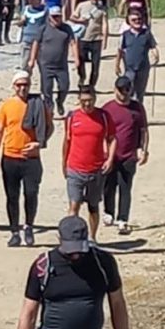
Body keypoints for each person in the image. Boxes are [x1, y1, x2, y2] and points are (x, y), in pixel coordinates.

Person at [0, 71, 54, 248]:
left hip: (31, 159)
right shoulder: (6, 106)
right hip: (10, 157)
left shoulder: (38, 104)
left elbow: (49, 127)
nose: (22, 88)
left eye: (25, 84)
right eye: (19, 85)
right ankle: (14, 232)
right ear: (14, 86)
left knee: (31, 194)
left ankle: (29, 226)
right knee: (12, 196)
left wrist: (39, 143)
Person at [62, 86, 116, 243]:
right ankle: (72, 239)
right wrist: (64, 163)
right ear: (79, 100)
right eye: (84, 101)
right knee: (74, 205)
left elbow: (112, 139)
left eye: (90, 100)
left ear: (95, 98)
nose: (87, 104)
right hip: (75, 168)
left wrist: (110, 159)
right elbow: (66, 141)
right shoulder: (72, 117)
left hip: (96, 169)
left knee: (93, 206)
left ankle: (92, 238)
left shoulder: (104, 117)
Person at [101, 76, 149, 235]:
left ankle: (123, 219)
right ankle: (109, 212)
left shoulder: (137, 108)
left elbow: (144, 130)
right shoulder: (107, 108)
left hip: (129, 155)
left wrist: (144, 149)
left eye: (126, 91)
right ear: (115, 90)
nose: (123, 94)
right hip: (110, 156)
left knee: (125, 188)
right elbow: (101, 132)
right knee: (108, 186)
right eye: (120, 91)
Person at [28, 5, 79, 115]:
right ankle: (49, 109)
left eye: (58, 16)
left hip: (61, 65)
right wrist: (32, 59)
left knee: (64, 87)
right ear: (49, 17)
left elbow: (73, 43)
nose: (57, 19)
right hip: (45, 65)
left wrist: (76, 58)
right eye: (54, 16)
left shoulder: (67, 28)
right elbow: (35, 43)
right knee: (46, 89)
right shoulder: (43, 28)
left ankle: (60, 102)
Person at [115, 11, 160, 103]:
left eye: (139, 19)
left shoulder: (146, 34)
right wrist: (117, 64)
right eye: (134, 20)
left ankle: (139, 111)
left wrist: (156, 54)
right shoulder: (125, 35)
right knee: (128, 91)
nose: (137, 21)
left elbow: (153, 45)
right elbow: (120, 51)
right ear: (129, 21)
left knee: (140, 93)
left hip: (143, 68)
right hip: (129, 69)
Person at [70, 0, 110, 88]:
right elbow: (72, 17)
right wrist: (80, 21)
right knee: (81, 61)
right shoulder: (82, 5)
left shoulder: (102, 9)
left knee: (96, 65)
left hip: (96, 39)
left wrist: (105, 39)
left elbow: (105, 24)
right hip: (83, 38)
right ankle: (82, 77)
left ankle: (92, 85)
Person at [17, 0, 47, 72]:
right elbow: (22, 20)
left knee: (43, 64)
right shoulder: (26, 9)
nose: (31, 0)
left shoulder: (45, 10)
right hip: (27, 39)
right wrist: (21, 22)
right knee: (25, 64)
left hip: (40, 41)